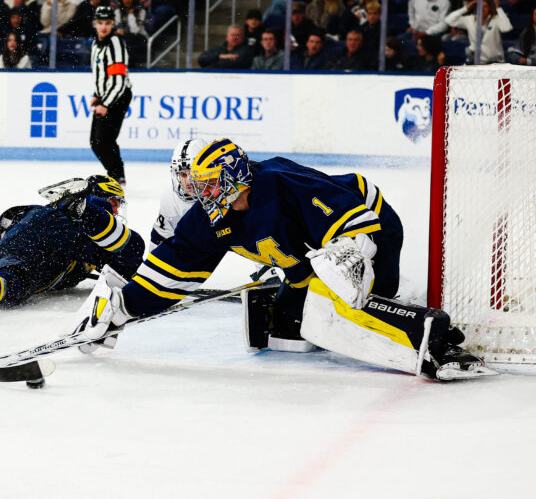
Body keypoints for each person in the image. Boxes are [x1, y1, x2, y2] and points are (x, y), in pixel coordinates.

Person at [68, 138, 497, 381]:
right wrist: (120, 310)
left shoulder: (277, 182)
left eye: (203, 182)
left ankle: (430, 340)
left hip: (372, 228)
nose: (196, 192)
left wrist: (345, 256)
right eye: (189, 182)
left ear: (232, 174)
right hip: (315, 253)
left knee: (326, 307)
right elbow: (170, 275)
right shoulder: (209, 219)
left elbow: (354, 220)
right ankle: (335, 299)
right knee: (286, 328)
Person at [0, 175, 143, 316]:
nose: (116, 209)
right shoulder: (96, 223)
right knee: (131, 250)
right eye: (115, 202)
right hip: (53, 235)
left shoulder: (58, 217)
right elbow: (119, 264)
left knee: (13, 280)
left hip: (22, 230)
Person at [89, 6, 132, 185]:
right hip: (106, 96)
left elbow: (118, 81)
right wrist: (97, 95)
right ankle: (117, 175)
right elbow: (102, 75)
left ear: (112, 24)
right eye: (100, 23)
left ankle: (116, 176)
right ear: (95, 24)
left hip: (118, 96)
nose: (104, 27)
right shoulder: (95, 43)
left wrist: (104, 103)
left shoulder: (114, 43)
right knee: (98, 141)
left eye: (107, 23)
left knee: (101, 141)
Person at [444, 0, 513, 64]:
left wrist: (498, 8)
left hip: (495, 62)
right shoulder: (469, 19)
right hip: (476, 61)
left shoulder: (495, 19)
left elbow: (507, 28)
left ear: (489, 8)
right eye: (480, 6)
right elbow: (448, 20)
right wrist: (467, 7)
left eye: (485, 7)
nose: (482, 9)